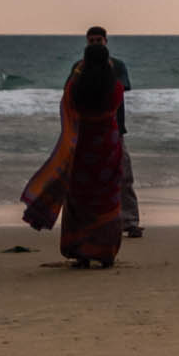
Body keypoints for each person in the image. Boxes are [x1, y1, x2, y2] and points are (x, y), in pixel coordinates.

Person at [20, 40, 126, 267]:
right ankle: (106, 252)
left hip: (83, 149)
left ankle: (81, 252)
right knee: (107, 199)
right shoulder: (115, 89)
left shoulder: (75, 88)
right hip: (108, 148)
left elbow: (67, 106)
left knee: (80, 200)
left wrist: (78, 71)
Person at [83, 26, 143, 238]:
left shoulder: (117, 66)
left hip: (116, 129)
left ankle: (130, 221)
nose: (96, 44)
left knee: (124, 175)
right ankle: (94, 222)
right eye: (92, 41)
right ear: (87, 42)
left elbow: (120, 88)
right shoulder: (79, 68)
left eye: (99, 40)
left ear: (106, 41)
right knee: (89, 179)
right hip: (88, 131)